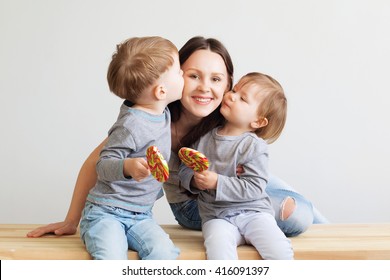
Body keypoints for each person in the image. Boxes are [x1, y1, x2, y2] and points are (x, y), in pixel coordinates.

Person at [27, 36, 328, 241]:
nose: (204, 88)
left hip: (235, 186)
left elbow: (261, 147)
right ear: (173, 77)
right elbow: (98, 162)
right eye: (193, 75)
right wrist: (71, 220)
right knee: (295, 215)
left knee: (304, 207)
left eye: (216, 79)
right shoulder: (152, 117)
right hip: (198, 202)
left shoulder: (227, 115)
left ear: (228, 84)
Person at [77, 36, 183, 259]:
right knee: (112, 257)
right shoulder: (131, 124)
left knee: (165, 253)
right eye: (179, 72)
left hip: (141, 216)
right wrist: (127, 167)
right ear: (161, 91)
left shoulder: (162, 112)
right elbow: (102, 165)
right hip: (106, 212)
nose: (183, 75)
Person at [178, 72, 294, 259]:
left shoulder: (254, 146)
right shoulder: (204, 139)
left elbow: (255, 187)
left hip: (253, 213)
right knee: (218, 250)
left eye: (242, 98)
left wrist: (217, 182)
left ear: (258, 121)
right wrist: (193, 180)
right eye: (234, 90)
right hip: (216, 216)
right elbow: (184, 169)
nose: (231, 96)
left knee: (279, 250)